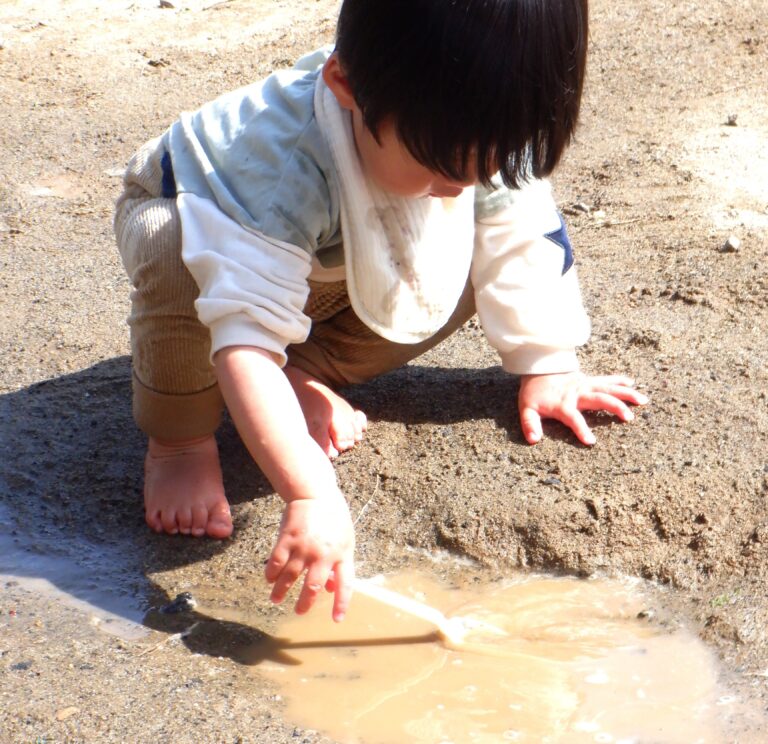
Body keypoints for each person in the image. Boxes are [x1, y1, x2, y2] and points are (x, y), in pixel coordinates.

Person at [114, 0, 647, 623]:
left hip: (322, 261)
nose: (464, 185)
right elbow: (244, 338)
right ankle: (180, 443)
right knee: (167, 245)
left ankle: (303, 369)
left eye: (491, 163)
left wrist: (548, 360)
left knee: (473, 254)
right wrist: (310, 491)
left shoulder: (477, 120)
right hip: (206, 223)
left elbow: (522, 232)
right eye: (444, 166)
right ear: (345, 86)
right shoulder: (284, 166)